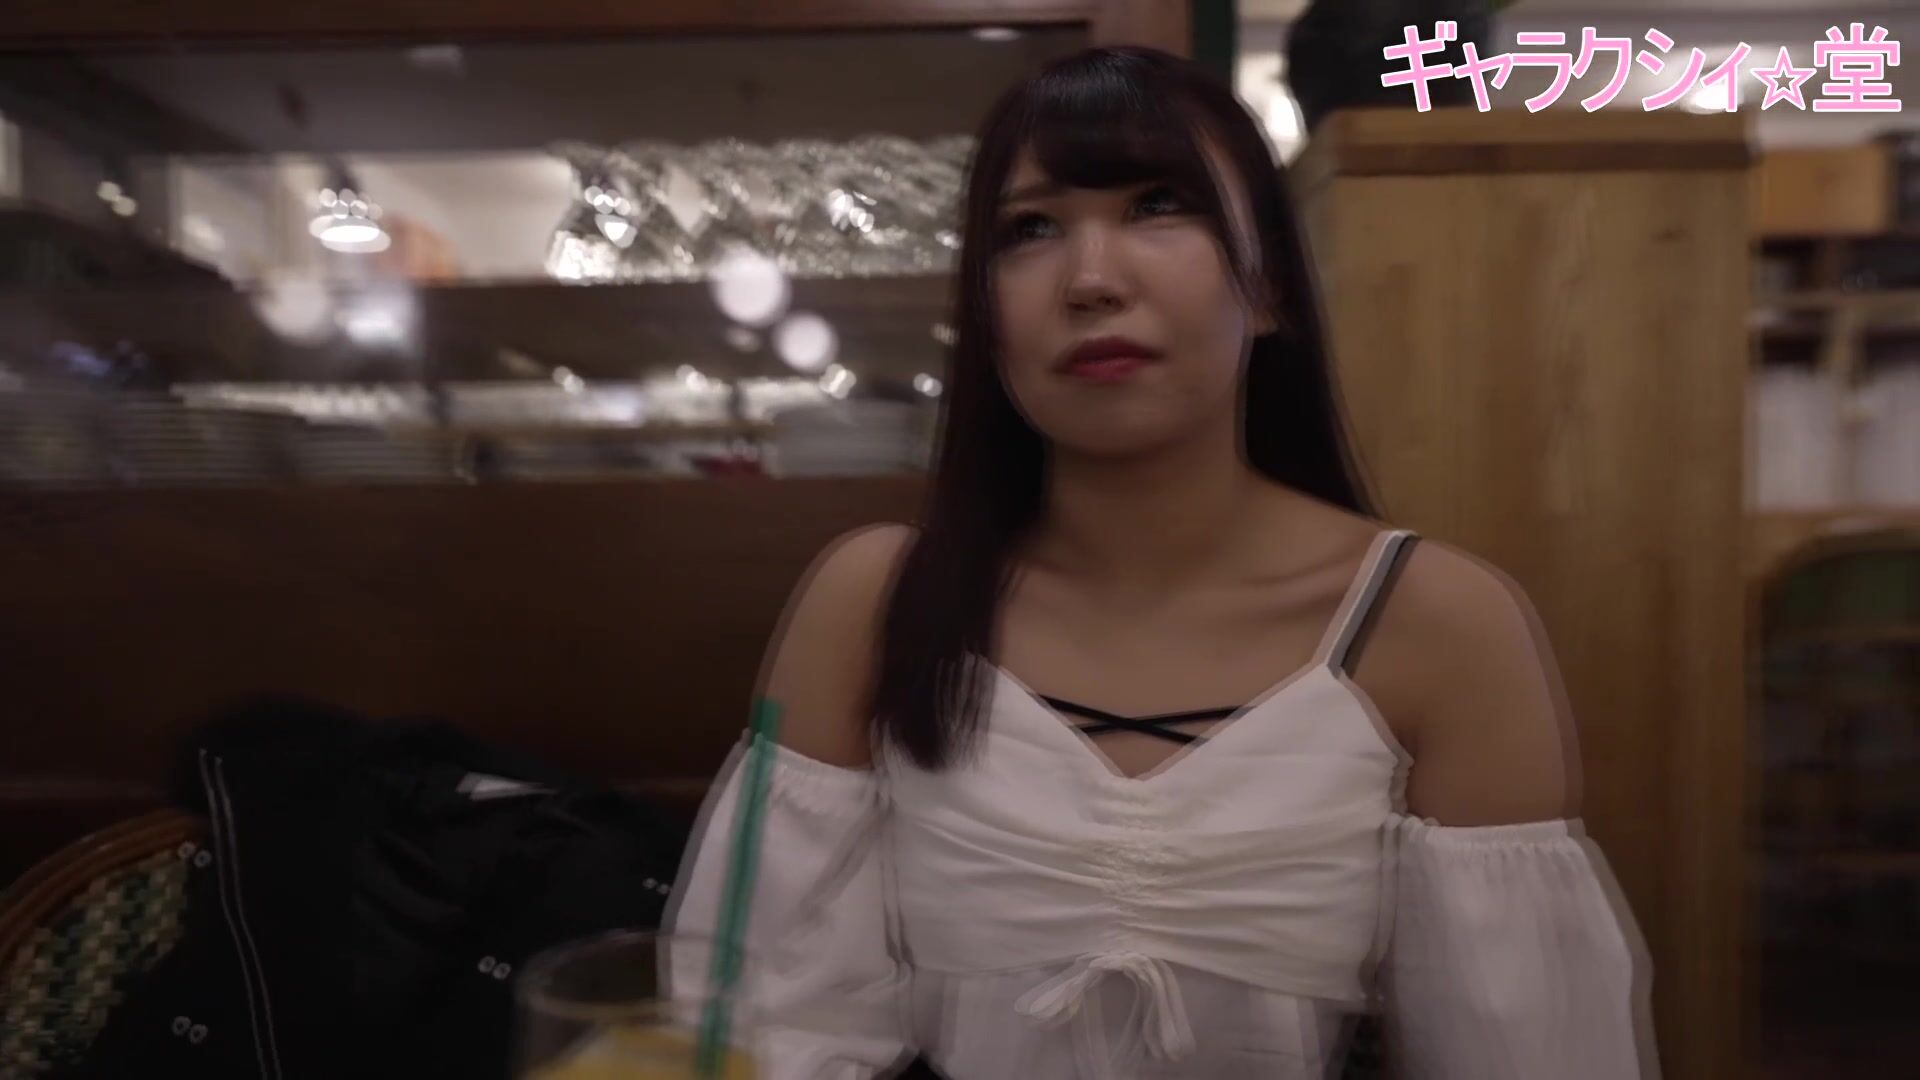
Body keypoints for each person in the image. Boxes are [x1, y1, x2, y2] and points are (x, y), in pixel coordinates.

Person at [669, 46, 1651, 1080]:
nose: (1092, 280)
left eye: (1159, 206)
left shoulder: (1435, 621)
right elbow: (763, 1030)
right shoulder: (876, 601)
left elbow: (1528, 1049)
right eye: (1030, 229)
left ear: (1269, 286)